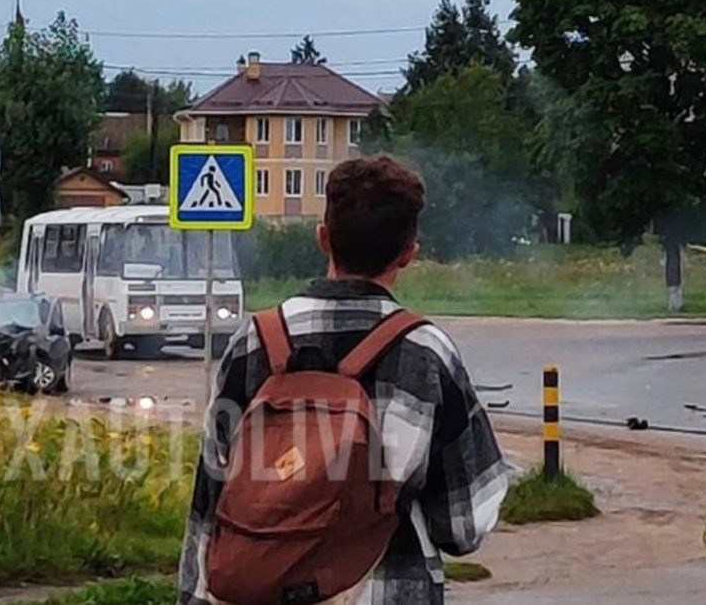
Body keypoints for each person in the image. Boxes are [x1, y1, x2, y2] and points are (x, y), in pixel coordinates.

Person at [178, 157, 507, 605]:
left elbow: (210, 502)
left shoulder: (254, 341)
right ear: (409, 252)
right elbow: (462, 526)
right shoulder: (427, 353)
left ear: (323, 238)